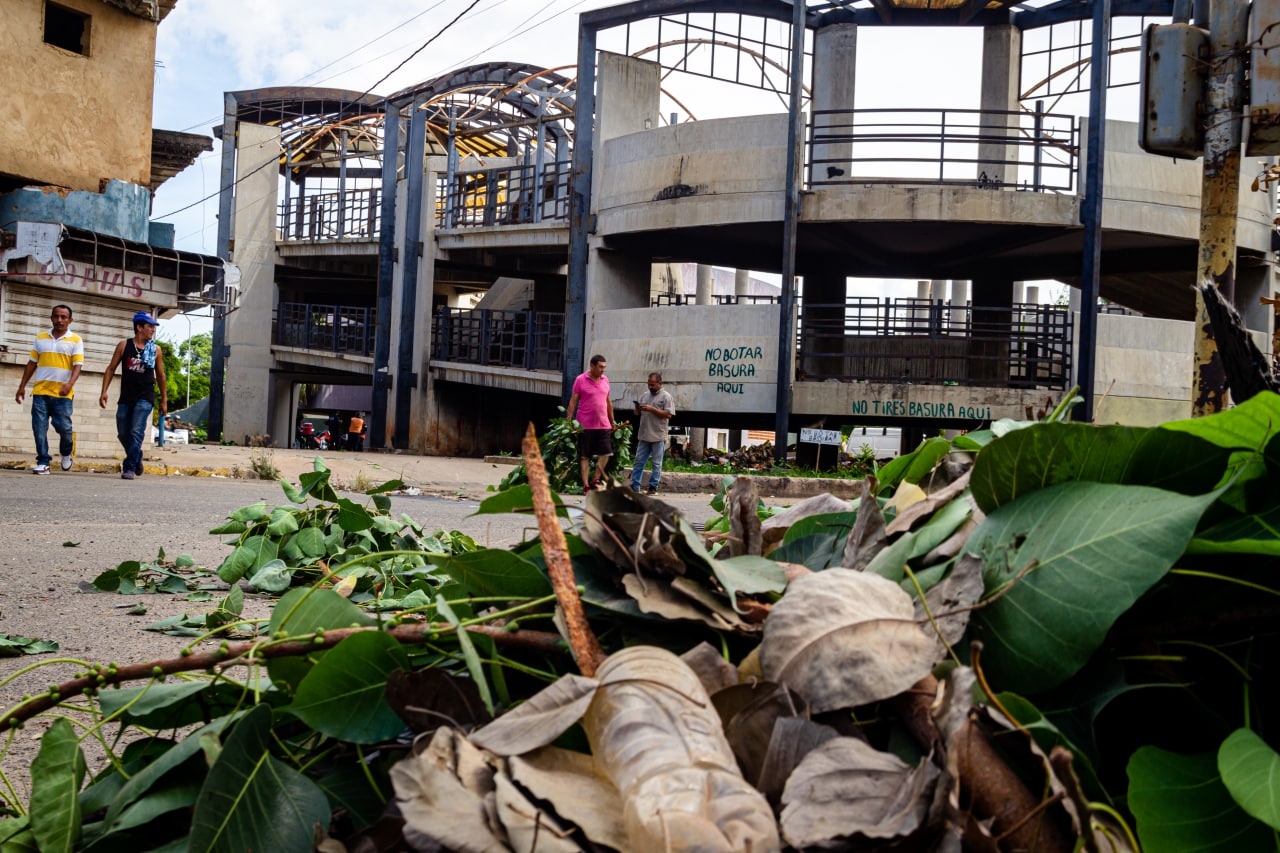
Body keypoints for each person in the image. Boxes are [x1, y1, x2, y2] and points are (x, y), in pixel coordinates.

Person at [14, 304, 83, 474]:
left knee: (64, 428)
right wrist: (22, 386)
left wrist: (70, 384)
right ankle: (43, 461)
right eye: (56, 316)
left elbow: (77, 365)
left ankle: (66, 452)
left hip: (63, 394)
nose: (59, 320)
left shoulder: (75, 340)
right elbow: (32, 363)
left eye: (63, 317)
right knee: (39, 428)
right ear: (51, 318)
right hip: (40, 392)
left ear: (70, 320)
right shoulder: (40, 338)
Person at [99, 311, 167, 480]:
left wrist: (164, 400)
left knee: (136, 432)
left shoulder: (155, 349)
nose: (153, 330)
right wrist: (104, 391)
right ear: (139, 327)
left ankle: (128, 467)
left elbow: (160, 375)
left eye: (154, 327)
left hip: (145, 397)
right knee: (123, 433)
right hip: (126, 397)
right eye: (149, 326)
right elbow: (110, 368)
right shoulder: (124, 345)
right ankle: (137, 455)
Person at [566, 354, 615, 492]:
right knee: (584, 456)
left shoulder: (605, 380)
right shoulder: (580, 380)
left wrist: (612, 421)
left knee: (606, 453)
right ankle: (586, 485)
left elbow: (608, 402)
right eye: (600, 367)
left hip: (603, 423)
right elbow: (573, 400)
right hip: (585, 425)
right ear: (592, 366)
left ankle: (596, 479)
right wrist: (569, 421)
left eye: (604, 367)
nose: (602, 370)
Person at [630, 372, 675, 495]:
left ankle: (653, 487)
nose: (650, 387)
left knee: (656, 463)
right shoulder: (645, 396)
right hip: (644, 434)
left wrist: (652, 409)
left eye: (653, 385)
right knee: (639, 461)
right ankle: (634, 486)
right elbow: (636, 414)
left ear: (660, 383)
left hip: (658, 435)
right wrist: (637, 408)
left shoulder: (666, 397)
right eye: (649, 384)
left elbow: (668, 414)